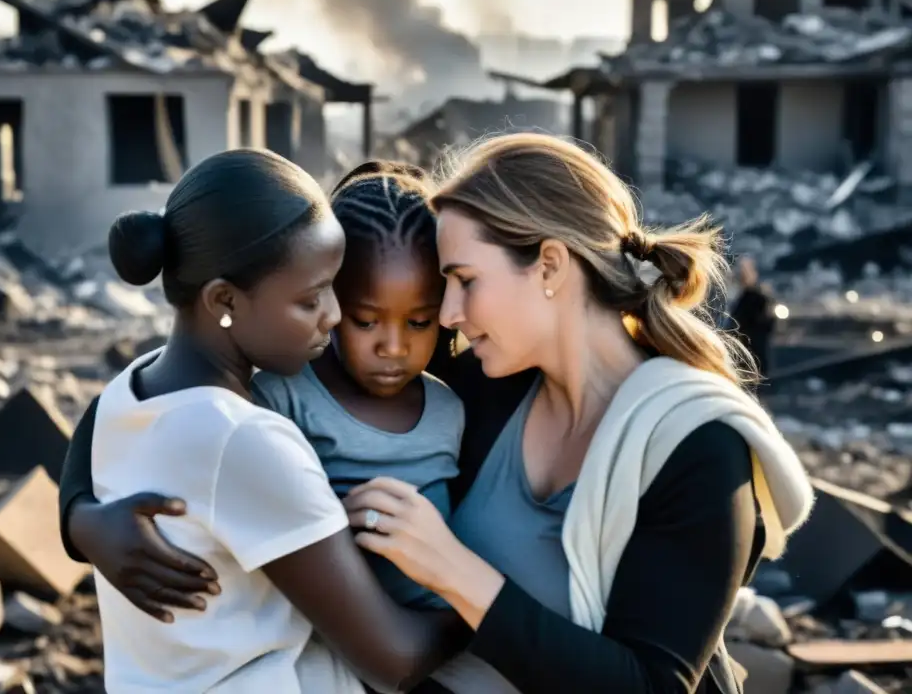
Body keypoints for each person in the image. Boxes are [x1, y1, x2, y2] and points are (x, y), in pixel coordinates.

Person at [59, 137, 815, 693]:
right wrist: (83, 519)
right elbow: (181, 385)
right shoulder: (478, 377)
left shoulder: (696, 450)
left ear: (548, 267)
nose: (446, 317)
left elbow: (651, 686)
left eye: (463, 281)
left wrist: (460, 576)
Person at [81, 149, 466, 693]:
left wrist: (78, 517)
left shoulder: (133, 389)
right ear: (224, 301)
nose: (332, 317)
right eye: (311, 300)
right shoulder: (247, 440)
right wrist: (489, 603)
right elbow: (395, 659)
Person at [253, 161, 463, 610]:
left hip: (442, 639)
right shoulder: (283, 397)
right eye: (366, 321)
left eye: (419, 322)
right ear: (328, 302)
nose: (394, 346)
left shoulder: (451, 408)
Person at [729, 256, 777, 385]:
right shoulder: (740, 297)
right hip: (742, 356)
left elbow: (767, 324)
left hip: (753, 355)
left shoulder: (758, 298)